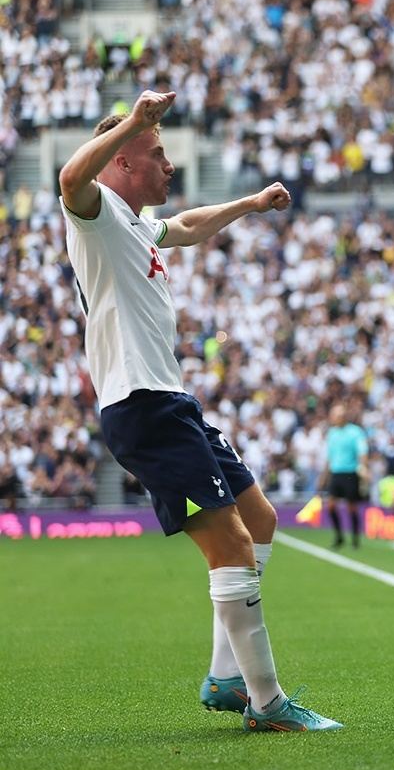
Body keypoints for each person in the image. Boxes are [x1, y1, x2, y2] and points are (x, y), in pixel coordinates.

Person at [57, 90, 339, 731]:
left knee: (259, 518)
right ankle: (267, 704)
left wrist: (249, 203)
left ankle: (223, 676)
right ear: (123, 162)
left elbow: (184, 227)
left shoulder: (133, 222)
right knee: (232, 544)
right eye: (156, 155)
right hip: (141, 404)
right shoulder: (95, 212)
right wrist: (135, 119)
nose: (168, 165)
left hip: (170, 400)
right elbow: (71, 177)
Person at [317, 402, 368, 549]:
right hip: (336, 472)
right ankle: (339, 536)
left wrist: (363, 467)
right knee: (331, 506)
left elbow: (362, 452)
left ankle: (355, 538)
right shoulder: (332, 433)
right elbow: (329, 457)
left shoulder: (355, 432)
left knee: (351, 507)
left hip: (350, 472)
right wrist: (324, 476)